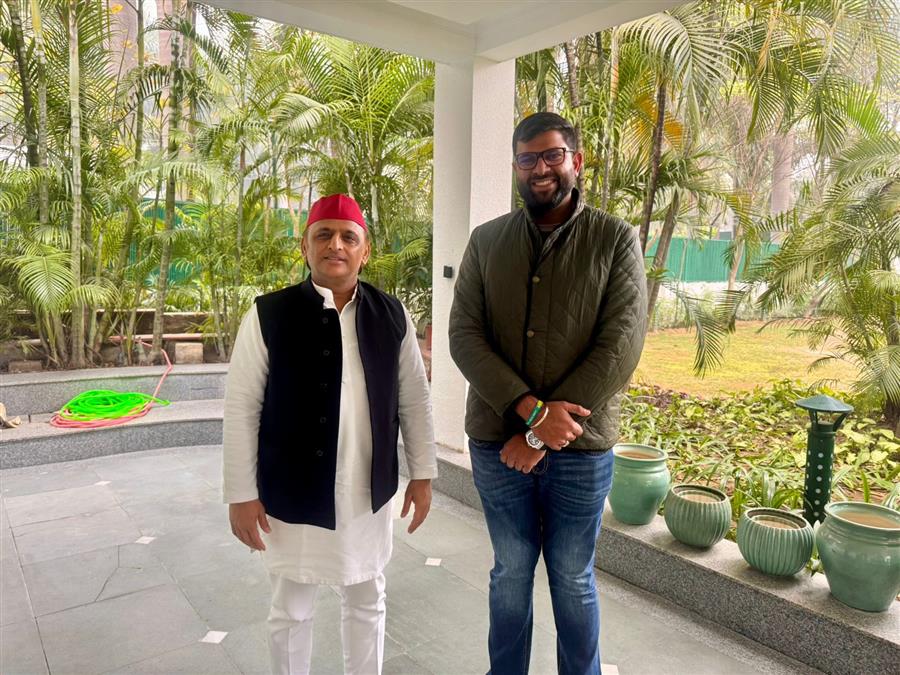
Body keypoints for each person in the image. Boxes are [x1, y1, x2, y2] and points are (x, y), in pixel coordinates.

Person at [449, 112, 648, 674]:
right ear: (515, 167)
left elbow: (622, 343)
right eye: (527, 158)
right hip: (498, 443)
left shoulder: (614, 238)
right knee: (510, 572)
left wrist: (541, 434)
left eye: (552, 155)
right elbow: (464, 335)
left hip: (580, 449)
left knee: (572, 577)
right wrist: (532, 412)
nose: (540, 168)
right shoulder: (487, 241)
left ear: (576, 161)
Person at [222, 193, 437, 675]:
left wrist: (423, 474)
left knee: (367, 597)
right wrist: (240, 494)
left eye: (348, 237)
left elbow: (414, 399)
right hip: (292, 488)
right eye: (324, 235)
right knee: (291, 607)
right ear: (305, 246)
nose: (335, 245)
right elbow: (241, 408)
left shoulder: (392, 315)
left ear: (365, 250)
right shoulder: (268, 314)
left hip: (366, 489)